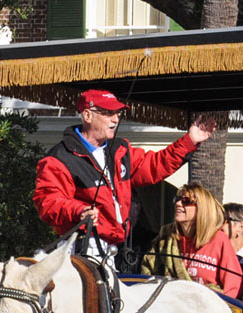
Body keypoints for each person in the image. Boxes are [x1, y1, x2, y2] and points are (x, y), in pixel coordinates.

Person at [33, 89, 217, 259]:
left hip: (118, 246)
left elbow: (156, 165)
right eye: (108, 113)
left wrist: (190, 140)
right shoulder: (60, 158)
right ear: (87, 115)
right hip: (81, 246)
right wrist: (78, 210)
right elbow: (47, 202)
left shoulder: (120, 150)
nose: (115, 119)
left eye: (117, 113)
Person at [141, 183, 243, 298]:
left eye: (186, 201)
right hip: (169, 307)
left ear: (202, 208)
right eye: (177, 199)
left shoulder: (219, 239)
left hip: (208, 309)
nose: (178, 204)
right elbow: (148, 271)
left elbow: (233, 285)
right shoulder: (166, 237)